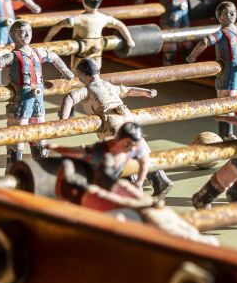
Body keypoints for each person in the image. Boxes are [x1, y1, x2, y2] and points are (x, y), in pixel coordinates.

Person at [58, 58, 172, 201]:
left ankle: (133, 189)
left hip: (112, 123)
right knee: (141, 149)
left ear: (83, 75)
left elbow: (70, 98)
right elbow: (128, 90)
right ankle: (161, 180)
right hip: (128, 118)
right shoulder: (109, 85)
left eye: (79, 75)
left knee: (122, 156)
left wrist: (63, 121)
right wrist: (147, 92)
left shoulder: (88, 89)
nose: (78, 78)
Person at [0, 19, 73, 166]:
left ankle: (41, 166)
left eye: (29, 31)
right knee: (17, 135)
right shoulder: (14, 56)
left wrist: (66, 72)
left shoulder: (37, 52)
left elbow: (54, 57)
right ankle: (15, 167)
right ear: (13, 35)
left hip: (37, 102)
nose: (27, 34)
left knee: (39, 134)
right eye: (22, 32)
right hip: (21, 103)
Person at [186, 2, 237, 139]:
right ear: (220, 17)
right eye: (227, 12)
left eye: (234, 11)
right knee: (227, 104)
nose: (232, 14)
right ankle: (227, 134)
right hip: (229, 74)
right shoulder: (222, 34)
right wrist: (192, 56)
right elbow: (205, 41)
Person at [52, 122, 153, 212]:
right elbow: (82, 153)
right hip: (93, 182)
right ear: (122, 141)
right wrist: (56, 148)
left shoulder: (133, 149)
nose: (132, 149)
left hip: (109, 185)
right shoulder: (101, 152)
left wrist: (140, 181)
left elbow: (145, 159)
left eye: (135, 145)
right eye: (129, 144)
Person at [44, 0, 136, 70]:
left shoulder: (77, 20)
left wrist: (47, 39)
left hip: (80, 55)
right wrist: (129, 40)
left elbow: (58, 25)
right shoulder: (104, 18)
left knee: (77, 76)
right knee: (95, 75)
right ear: (100, 3)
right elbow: (120, 25)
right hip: (97, 53)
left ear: (84, 2)